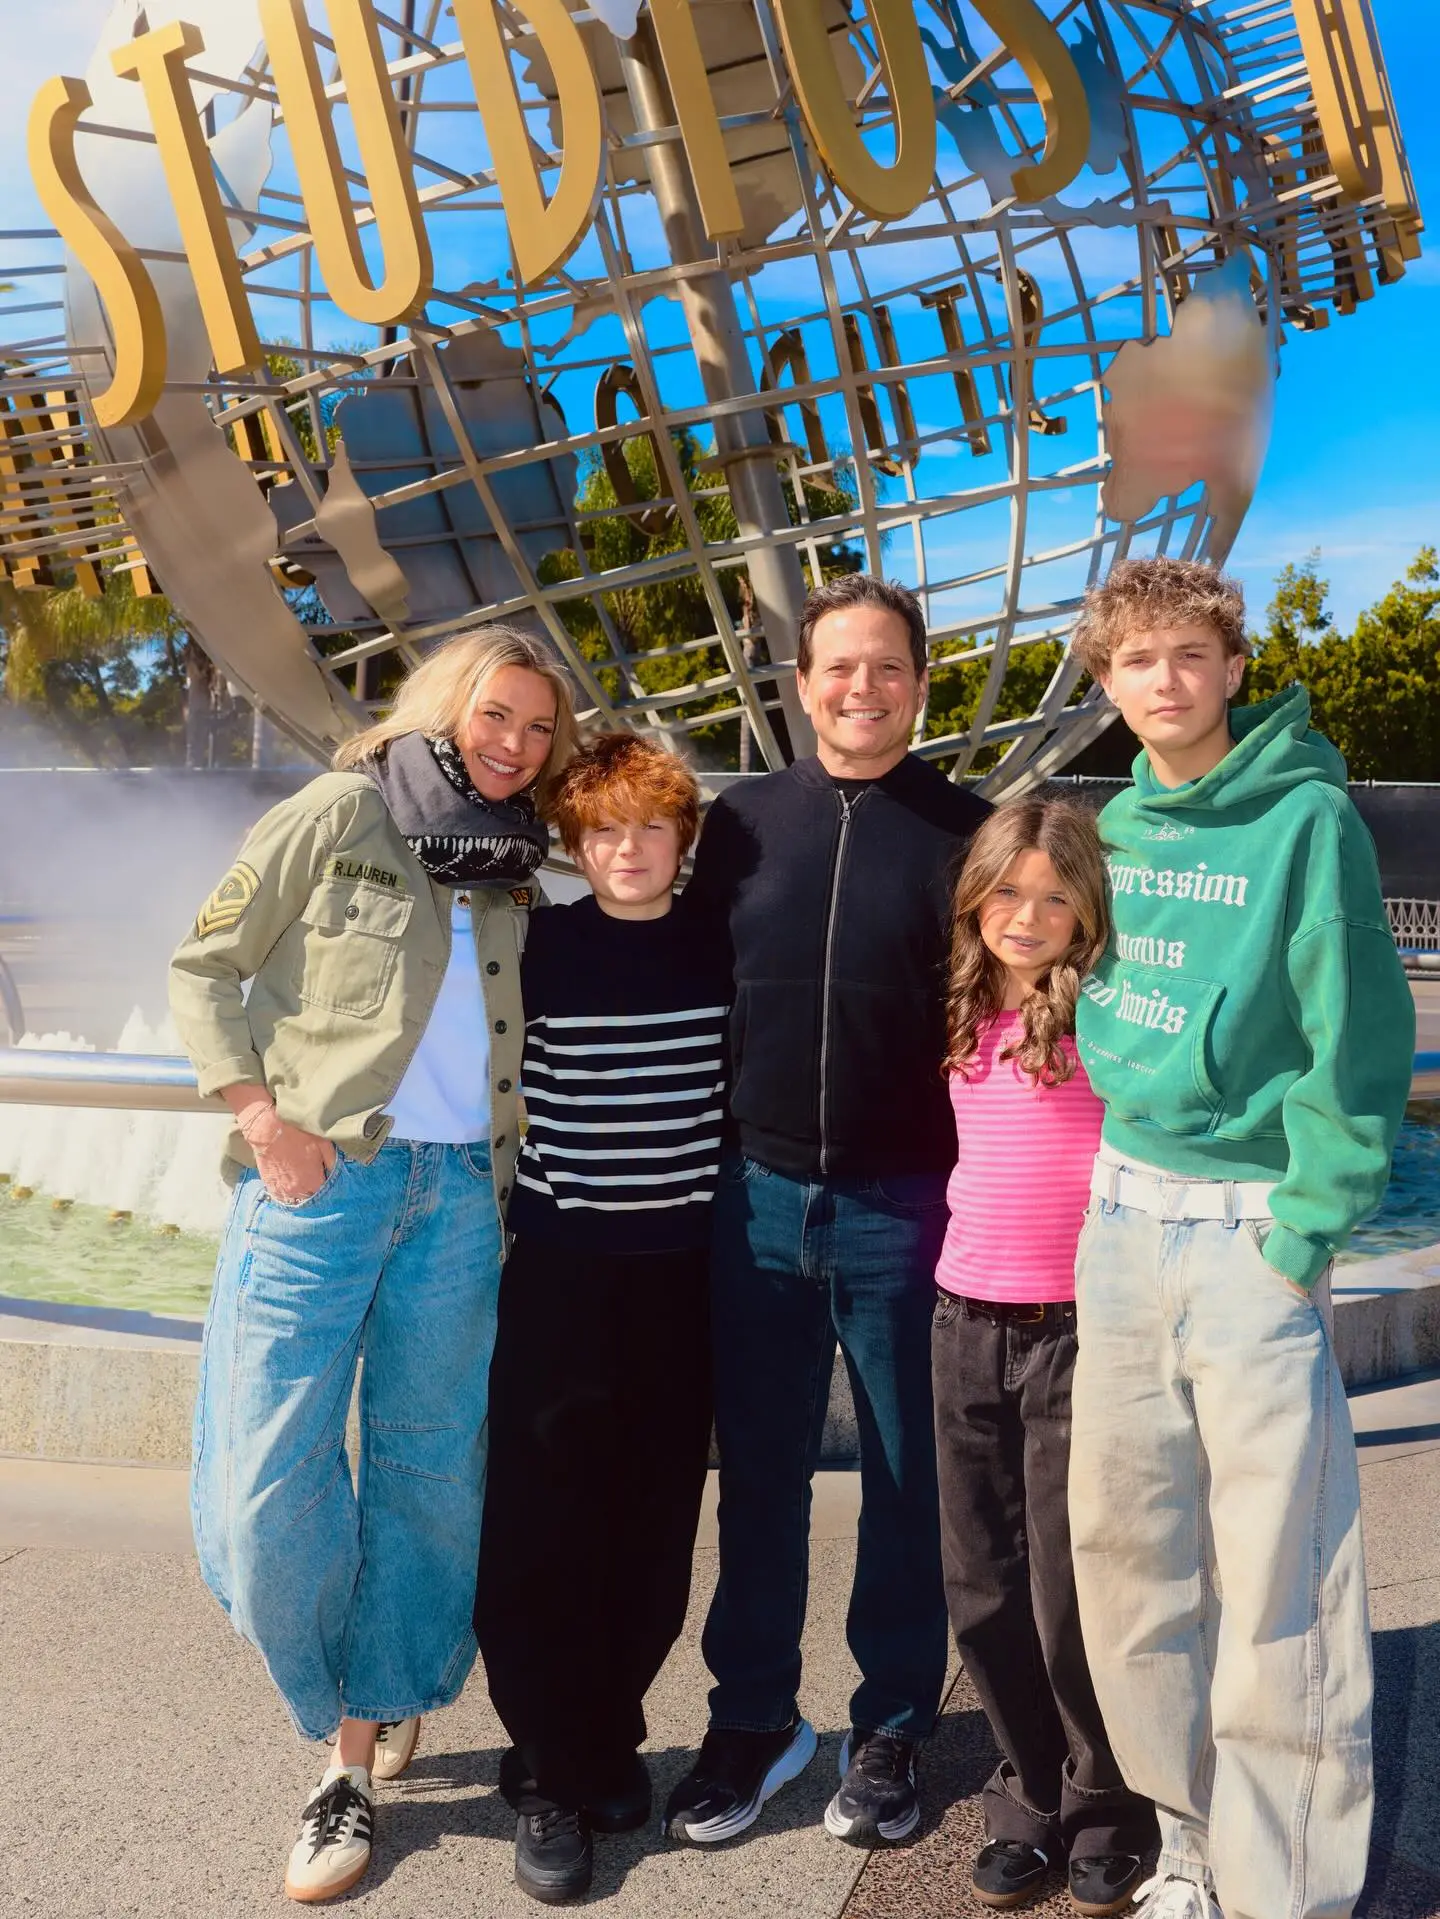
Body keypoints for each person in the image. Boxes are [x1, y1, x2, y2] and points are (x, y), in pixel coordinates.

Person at [169, 626, 577, 1904]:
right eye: (497, 714)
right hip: (323, 1183)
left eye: (537, 729)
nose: (514, 744)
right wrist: (262, 1121)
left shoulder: (519, 869)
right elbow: (207, 965)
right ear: (449, 705)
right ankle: (347, 1684)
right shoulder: (344, 809)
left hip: (460, 1203)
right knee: (263, 1478)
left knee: (424, 1474)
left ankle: (352, 1751)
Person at [1065, 557, 1415, 1919]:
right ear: (1107, 682)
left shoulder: (1307, 819)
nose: (1165, 680)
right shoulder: (1120, 828)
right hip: (1121, 1224)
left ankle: (1288, 1887)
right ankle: (1191, 1838)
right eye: (1137, 660)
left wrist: (1304, 1228)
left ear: (1228, 666)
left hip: (1244, 1238)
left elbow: (1360, 1038)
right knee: (1131, 1555)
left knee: (1281, 1577)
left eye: (1190, 656)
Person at [666, 573, 990, 1849]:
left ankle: (895, 1720)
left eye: (888, 667)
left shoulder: (973, 835)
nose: (864, 688)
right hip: (754, 1197)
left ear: (921, 681)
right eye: (838, 667)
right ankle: (754, 1714)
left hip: (908, 1203)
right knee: (759, 1474)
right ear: (801, 686)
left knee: (912, 1479)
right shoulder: (738, 826)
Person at [474, 732, 729, 1904]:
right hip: (563, 1271)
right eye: (605, 830)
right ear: (576, 844)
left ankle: (609, 1731)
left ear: (683, 835)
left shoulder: (722, 944)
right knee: (543, 1526)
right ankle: (547, 1773)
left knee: (653, 1523)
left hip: (680, 1272)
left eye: (650, 825)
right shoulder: (537, 945)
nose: (628, 849)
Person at [931, 799, 1154, 1917]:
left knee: (1075, 1593)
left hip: (1078, 1328)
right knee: (980, 1585)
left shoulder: (1109, 1016)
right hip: (963, 1320)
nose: (1028, 915)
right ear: (977, 894)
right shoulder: (964, 1007)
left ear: (1088, 909)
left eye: (1055, 895)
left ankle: (1108, 1800)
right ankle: (1026, 1795)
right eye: (1008, 891)